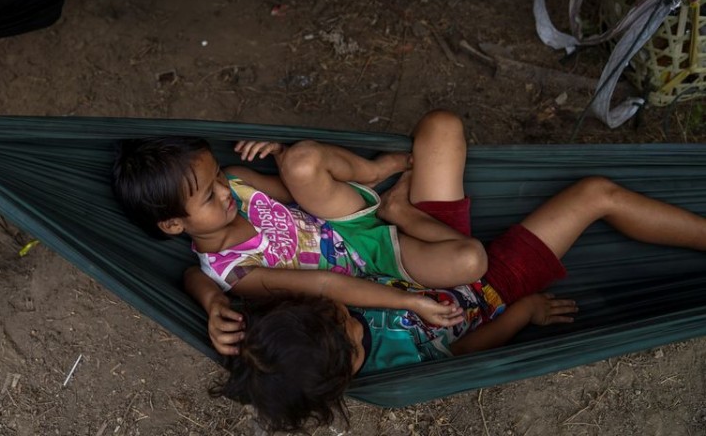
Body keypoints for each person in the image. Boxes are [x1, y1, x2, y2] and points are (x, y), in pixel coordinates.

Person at [186, 162, 706, 432]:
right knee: (596, 194)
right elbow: (466, 351)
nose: (352, 320)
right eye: (354, 340)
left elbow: (196, 273)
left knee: (441, 129)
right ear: (343, 378)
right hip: (494, 287)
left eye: (337, 315)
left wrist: (212, 302)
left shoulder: (289, 330)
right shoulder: (389, 370)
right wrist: (523, 312)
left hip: (420, 249)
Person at [113, 111, 488, 326]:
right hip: (372, 263)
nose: (224, 190)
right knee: (471, 261)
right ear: (173, 224)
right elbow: (325, 284)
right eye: (210, 195)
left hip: (342, 213)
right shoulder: (234, 272)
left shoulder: (237, 183)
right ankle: (398, 210)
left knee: (301, 162)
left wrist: (282, 154)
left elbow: (298, 190)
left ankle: (374, 172)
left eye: (218, 178)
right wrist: (410, 303)